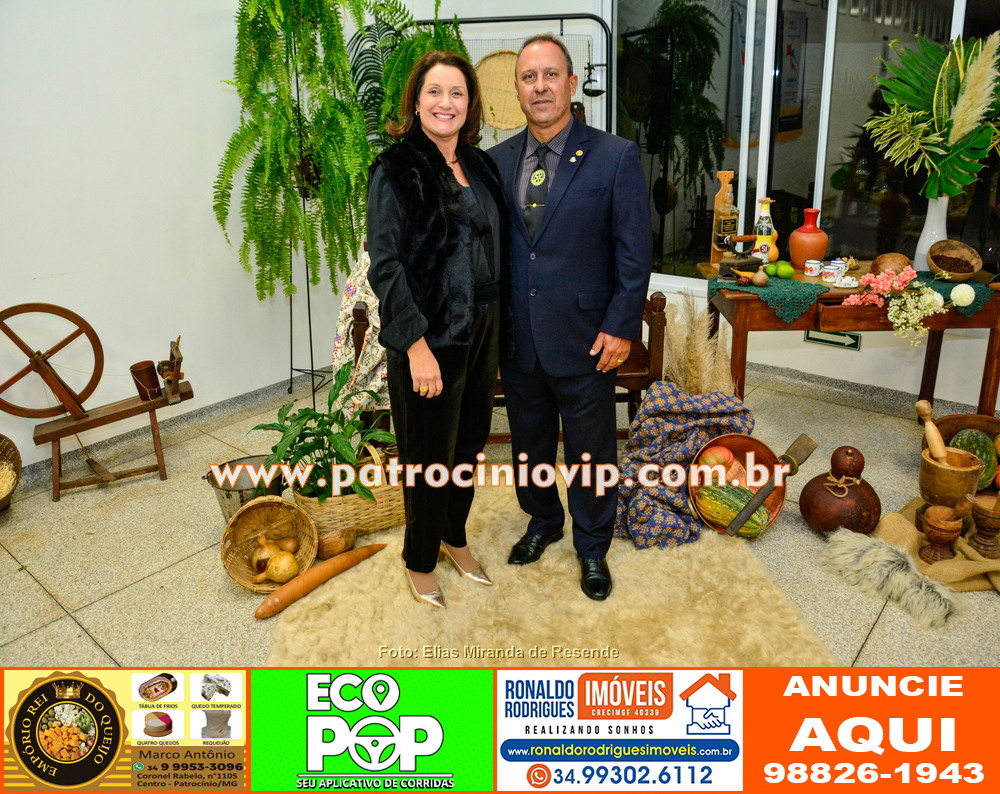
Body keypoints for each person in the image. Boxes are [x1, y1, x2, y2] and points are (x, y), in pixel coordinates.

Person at [487, 34, 652, 600]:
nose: (540, 87)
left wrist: (622, 326)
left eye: (550, 75)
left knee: (590, 448)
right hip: (520, 338)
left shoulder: (615, 155)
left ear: (572, 83)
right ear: (517, 89)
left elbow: (634, 253)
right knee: (528, 443)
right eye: (529, 77)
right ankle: (542, 521)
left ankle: (592, 544)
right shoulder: (496, 162)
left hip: (588, 337)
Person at [367, 52, 511, 609]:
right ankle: (420, 558)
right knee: (429, 455)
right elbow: (385, 265)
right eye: (434, 91)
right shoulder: (396, 168)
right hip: (430, 333)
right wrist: (415, 345)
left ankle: (454, 535)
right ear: (416, 100)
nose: (445, 102)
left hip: (483, 327)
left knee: (468, 445)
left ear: (470, 104)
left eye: (457, 92)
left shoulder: (482, 165)